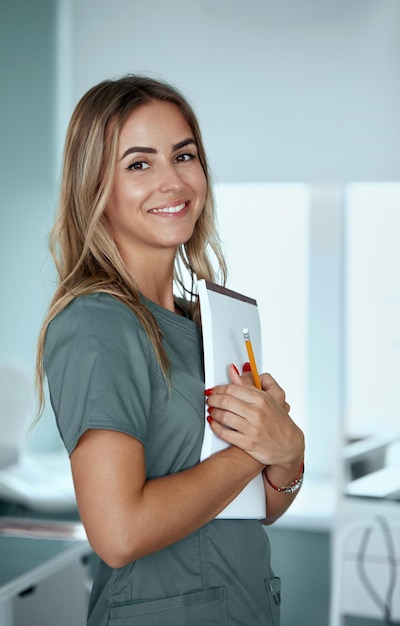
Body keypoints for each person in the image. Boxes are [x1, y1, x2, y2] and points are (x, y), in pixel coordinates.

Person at [36, 74, 305, 626]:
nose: (172, 180)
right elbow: (119, 533)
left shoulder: (208, 319)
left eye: (183, 155)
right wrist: (257, 450)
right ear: (95, 188)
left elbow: (260, 507)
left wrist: (288, 452)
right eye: (139, 163)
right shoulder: (96, 324)